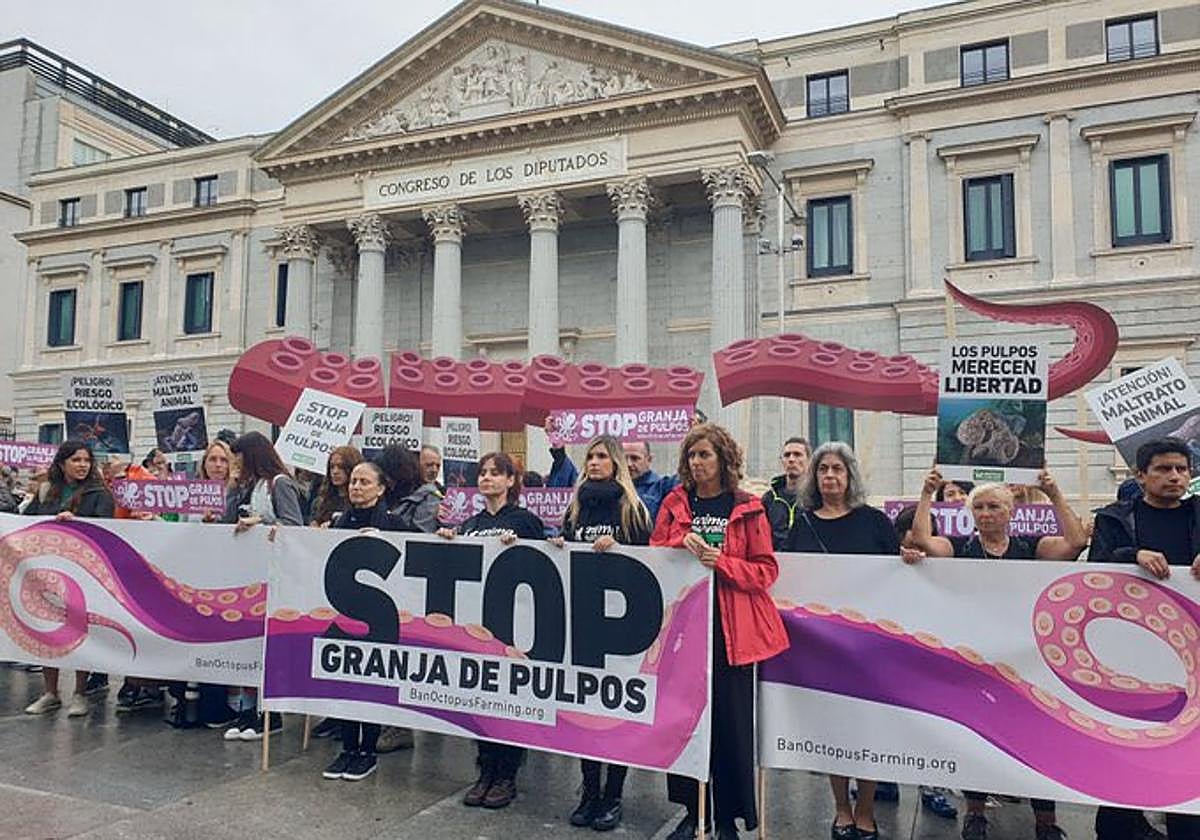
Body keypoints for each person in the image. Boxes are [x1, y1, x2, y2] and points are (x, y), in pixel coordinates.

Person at [908, 469, 1088, 840]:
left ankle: (1046, 819)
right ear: (972, 514)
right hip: (978, 660)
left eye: (994, 507)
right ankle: (974, 812)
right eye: (981, 508)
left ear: (1010, 512)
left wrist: (1054, 492)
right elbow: (924, 540)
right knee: (980, 735)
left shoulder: (1032, 547)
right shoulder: (961, 548)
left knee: (1038, 738)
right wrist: (927, 492)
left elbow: (1075, 542)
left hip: (1028, 661)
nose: (987, 514)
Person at [653, 423, 787, 840]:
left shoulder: (747, 506)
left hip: (733, 632)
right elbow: (655, 550)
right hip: (684, 631)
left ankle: (726, 816)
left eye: (705, 454)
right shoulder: (675, 503)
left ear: (723, 459)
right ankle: (693, 813)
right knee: (684, 722)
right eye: (692, 455)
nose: (697, 462)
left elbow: (766, 571)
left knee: (729, 726)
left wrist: (722, 562)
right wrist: (680, 543)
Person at [784, 441, 903, 840]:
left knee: (866, 727)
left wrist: (913, 559)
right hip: (821, 646)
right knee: (833, 728)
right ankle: (841, 808)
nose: (830, 475)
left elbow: (898, 573)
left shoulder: (874, 521)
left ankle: (866, 809)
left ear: (850, 475)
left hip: (869, 647)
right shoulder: (803, 523)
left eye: (837, 468)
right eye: (823, 469)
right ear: (814, 477)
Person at [1088, 438, 1200, 840]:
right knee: (1124, 757)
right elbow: (1094, 568)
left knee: (1189, 765)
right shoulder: (1115, 519)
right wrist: (1131, 556)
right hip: (1131, 659)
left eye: (1182, 469)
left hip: (1193, 664)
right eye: (1163, 469)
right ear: (1141, 475)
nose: (1174, 476)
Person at [549, 435, 652, 832]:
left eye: (601, 457)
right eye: (590, 456)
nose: (593, 463)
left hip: (621, 629)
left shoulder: (633, 510)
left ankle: (614, 794)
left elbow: (651, 564)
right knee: (585, 714)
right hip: (582, 624)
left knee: (615, 715)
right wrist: (557, 545)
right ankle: (589, 790)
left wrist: (621, 547)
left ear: (616, 466)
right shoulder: (575, 510)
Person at [437, 452, 545, 810]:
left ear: (511, 481)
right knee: (480, 699)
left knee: (509, 699)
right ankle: (484, 771)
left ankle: (507, 775)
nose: (487, 479)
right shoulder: (471, 523)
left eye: (496, 474)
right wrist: (448, 543)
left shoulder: (527, 521)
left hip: (514, 626)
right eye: (482, 473)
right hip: (478, 625)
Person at [321, 460, 412, 782]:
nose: (356, 487)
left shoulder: (395, 523)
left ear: (381, 488)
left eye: (364, 481)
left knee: (371, 686)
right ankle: (347, 749)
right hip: (346, 618)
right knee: (346, 684)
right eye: (353, 481)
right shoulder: (339, 523)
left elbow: (419, 550)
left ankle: (367, 752)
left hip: (381, 621)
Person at [22, 440, 116, 717]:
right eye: (76, 460)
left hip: (82, 571)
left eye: (86, 460)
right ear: (62, 463)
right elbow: (28, 522)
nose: (82, 465)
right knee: (46, 629)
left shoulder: (100, 493)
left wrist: (76, 522)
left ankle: (80, 692)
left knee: (80, 631)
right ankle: (50, 692)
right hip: (46, 571)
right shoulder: (47, 491)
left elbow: (105, 529)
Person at [221, 431, 303, 740]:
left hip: (275, 575)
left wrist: (264, 525)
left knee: (267, 645)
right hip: (249, 576)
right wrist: (231, 487)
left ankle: (268, 713)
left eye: (239, 461)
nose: (236, 466)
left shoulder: (278, 484)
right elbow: (228, 519)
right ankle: (247, 708)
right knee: (249, 642)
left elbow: (294, 524)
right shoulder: (248, 486)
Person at [887, 506, 960, 821]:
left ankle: (933, 786)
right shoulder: (885, 565)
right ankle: (884, 780)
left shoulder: (943, 561)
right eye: (915, 531)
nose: (922, 540)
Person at [545, 417, 678, 522]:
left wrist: (695, 436)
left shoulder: (661, 487)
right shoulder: (596, 487)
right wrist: (558, 446)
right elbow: (574, 478)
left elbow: (689, 478)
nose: (629, 464)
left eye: (635, 458)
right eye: (624, 458)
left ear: (649, 459)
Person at [761, 436, 810, 549]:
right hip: (775, 561)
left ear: (809, 460)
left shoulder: (817, 497)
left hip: (809, 561)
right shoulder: (769, 499)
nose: (791, 459)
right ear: (782, 461)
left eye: (797, 455)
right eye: (787, 455)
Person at [310, 445, 363, 526]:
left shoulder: (362, 501)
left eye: (341, 467)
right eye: (332, 467)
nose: (335, 472)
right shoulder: (320, 502)